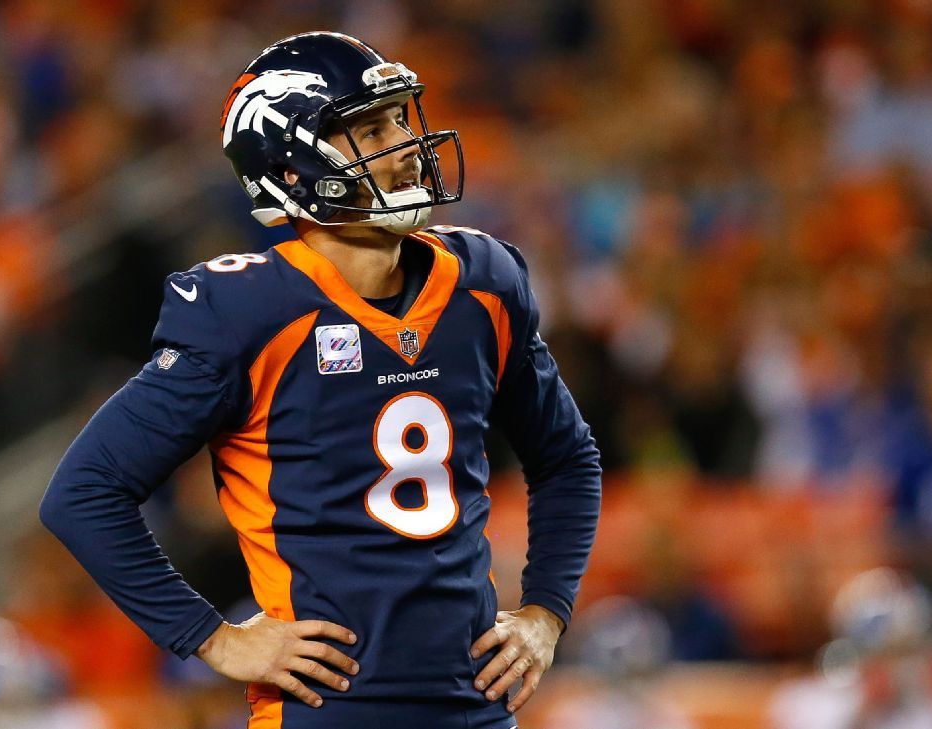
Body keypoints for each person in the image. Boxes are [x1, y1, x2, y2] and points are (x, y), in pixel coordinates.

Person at [40, 31, 602, 729]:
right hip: (327, 709)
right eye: (370, 129)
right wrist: (211, 638)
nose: (402, 145)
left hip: (475, 705)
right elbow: (83, 493)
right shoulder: (248, 311)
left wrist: (546, 610)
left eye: (399, 120)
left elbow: (567, 458)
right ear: (295, 167)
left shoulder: (482, 283)